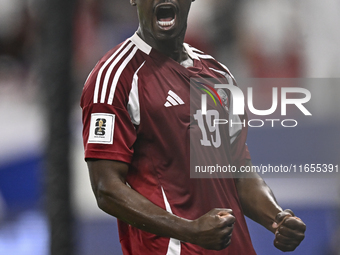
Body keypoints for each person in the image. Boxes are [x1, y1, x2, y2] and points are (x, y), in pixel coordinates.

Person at [80, 0, 306, 254]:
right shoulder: (114, 77)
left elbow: (239, 172)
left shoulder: (218, 75)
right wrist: (190, 230)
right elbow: (106, 187)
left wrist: (277, 219)